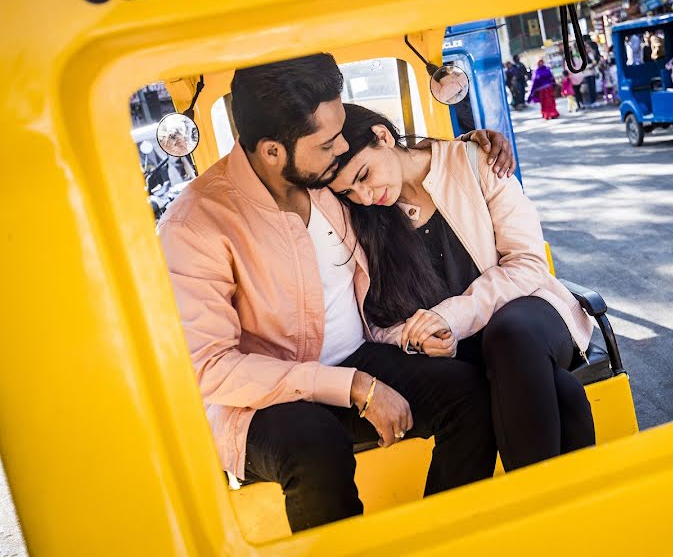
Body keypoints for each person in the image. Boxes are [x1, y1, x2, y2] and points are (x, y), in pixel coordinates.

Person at [157, 53, 519, 532]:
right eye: (328, 143)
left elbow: (400, 169)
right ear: (272, 152)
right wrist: (352, 388)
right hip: (262, 401)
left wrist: (471, 149)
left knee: (471, 397)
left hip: (359, 358)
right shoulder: (195, 223)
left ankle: (441, 540)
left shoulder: (328, 183)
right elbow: (209, 368)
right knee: (316, 447)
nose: (342, 147)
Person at [327, 103, 597, 473]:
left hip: (530, 317)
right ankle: (561, 509)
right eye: (349, 193)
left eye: (364, 175)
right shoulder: (359, 221)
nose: (364, 197)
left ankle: (529, 502)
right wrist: (420, 337)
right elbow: (373, 320)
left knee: (509, 333)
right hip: (459, 350)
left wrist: (451, 316)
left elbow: (527, 262)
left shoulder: (475, 161)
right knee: (563, 393)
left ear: (383, 136)